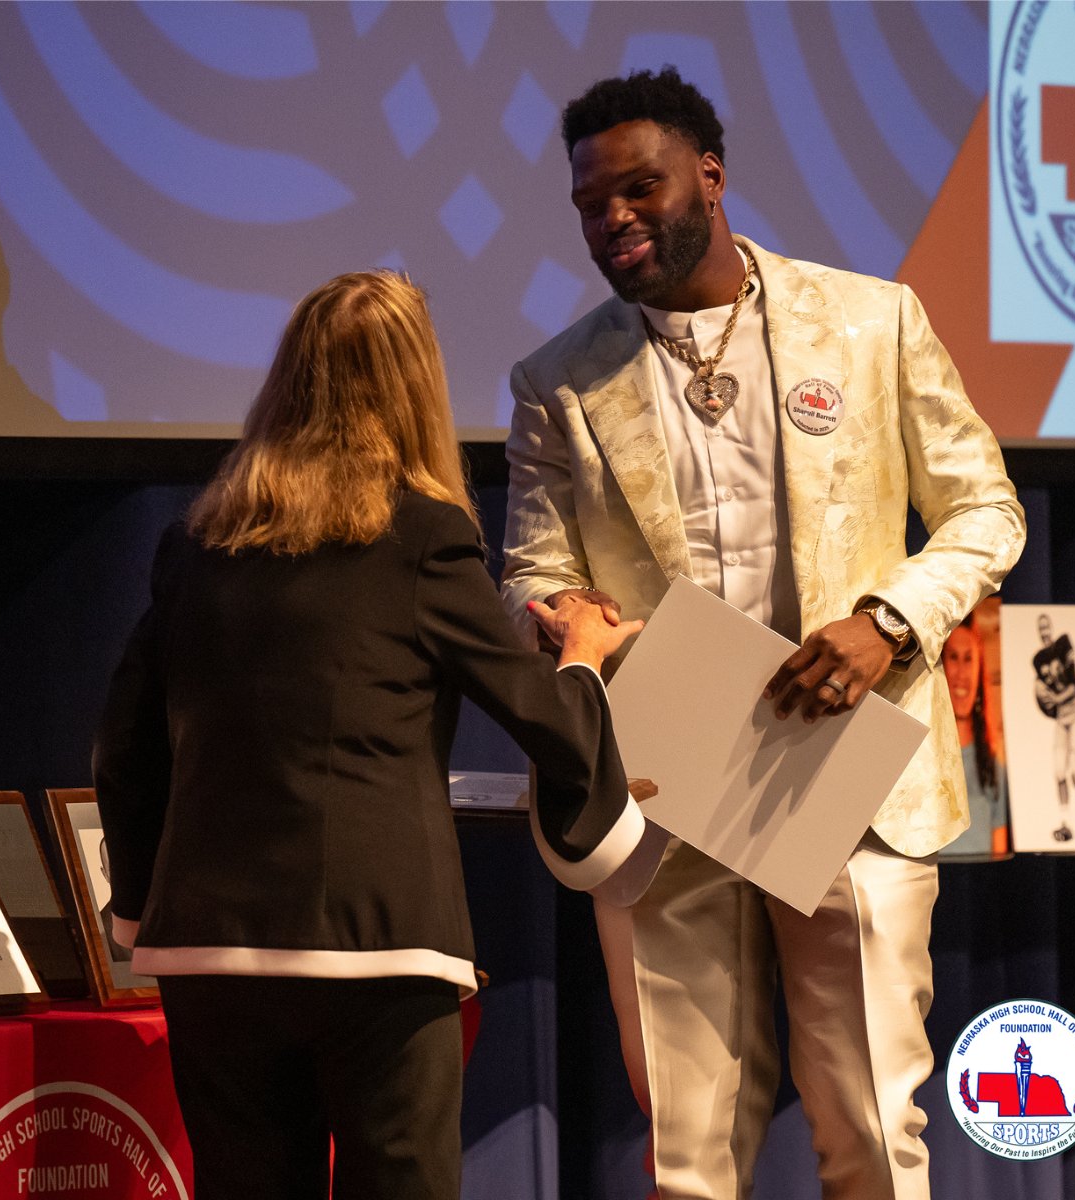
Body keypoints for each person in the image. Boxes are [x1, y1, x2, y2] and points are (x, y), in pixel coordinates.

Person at [501, 68, 1026, 1199]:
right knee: (689, 1155)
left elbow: (988, 509)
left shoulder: (871, 321)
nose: (616, 219)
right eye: (592, 204)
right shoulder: (558, 380)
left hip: (845, 772)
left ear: (712, 175)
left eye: (640, 188)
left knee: (873, 1133)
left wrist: (888, 623)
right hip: (667, 785)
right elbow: (535, 572)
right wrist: (557, 621)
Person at [92, 271, 649, 1200]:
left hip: (210, 954)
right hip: (380, 950)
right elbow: (545, 718)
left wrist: (141, 910)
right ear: (417, 384)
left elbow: (123, 745)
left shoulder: (196, 542)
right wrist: (583, 657)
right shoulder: (424, 536)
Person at [939, 619, 1009, 859]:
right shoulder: (919, 763)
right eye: (953, 657)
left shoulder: (993, 769)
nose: (960, 673)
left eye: (969, 659)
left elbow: (998, 856)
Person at [1033, 613, 1075, 841]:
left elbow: (1074, 688)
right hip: (1060, 716)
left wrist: (1055, 699)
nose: (1044, 631)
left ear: (1052, 627)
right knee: (1059, 772)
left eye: (1046, 626)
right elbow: (1044, 693)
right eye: (1041, 628)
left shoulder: (1064, 644)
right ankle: (1065, 822)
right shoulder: (1038, 660)